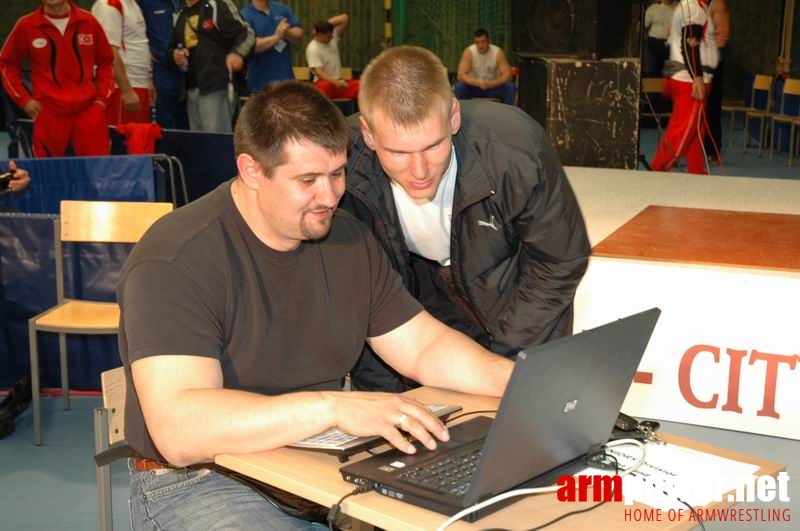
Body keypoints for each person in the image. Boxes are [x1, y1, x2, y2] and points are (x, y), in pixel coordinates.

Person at [117, 80, 513, 529]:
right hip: (200, 480)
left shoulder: (346, 239)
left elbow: (422, 346)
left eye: (338, 173)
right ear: (251, 170)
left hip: (315, 462)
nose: (329, 196)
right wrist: (334, 408)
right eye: (307, 180)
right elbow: (179, 430)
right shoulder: (176, 258)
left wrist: (517, 383)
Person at [340, 46, 590, 392]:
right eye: (397, 152)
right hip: (408, 292)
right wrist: (382, 395)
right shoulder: (341, 165)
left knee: (515, 419)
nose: (419, 171)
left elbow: (561, 259)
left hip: (511, 292)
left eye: (433, 146)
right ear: (368, 134)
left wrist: (499, 358)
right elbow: (361, 292)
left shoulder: (515, 152)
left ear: (453, 117)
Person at [0, 0, 115, 157]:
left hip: (89, 112)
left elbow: (107, 62)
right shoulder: (27, 25)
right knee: (47, 174)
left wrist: (102, 100)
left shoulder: (89, 21)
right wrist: (24, 100)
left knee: (98, 174)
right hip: (48, 113)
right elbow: (7, 65)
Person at [651, 0, 719, 174]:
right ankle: (657, 171)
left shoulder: (693, 6)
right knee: (681, 133)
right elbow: (690, 44)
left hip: (689, 78)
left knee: (694, 135)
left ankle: (696, 173)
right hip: (690, 81)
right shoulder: (693, 7)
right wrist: (697, 77)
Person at [170, 0, 254, 132]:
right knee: (200, 144)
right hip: (191, 89)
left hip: (216, 84)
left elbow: (247, 33)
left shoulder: (216, 5)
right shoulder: (179, 15)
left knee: (216, 142)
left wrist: (237, 53)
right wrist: (174, 55)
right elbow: (172, 47)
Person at [91, 0, 155, 124]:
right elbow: (109, 52)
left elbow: (139, 43)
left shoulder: (133, 4)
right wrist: (126, 90)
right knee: (123, 140)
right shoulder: (109, 5)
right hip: (120, 88)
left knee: (139, 140)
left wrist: (147, 80)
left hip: (137, 84)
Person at [137, 0, 190, 129]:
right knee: (163, 127)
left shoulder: (190, 2)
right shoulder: (145, 3)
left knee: (189, 128)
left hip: (192, 73)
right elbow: (135, 32)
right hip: (161, 72)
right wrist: (147, 53)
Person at [241, 1, 303, 94]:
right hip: (259, 84)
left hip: (286, 81)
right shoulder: (245, 15)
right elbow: (251, 45)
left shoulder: (282, 9)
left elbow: (299, 34)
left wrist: (287, 33)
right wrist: (277, 36)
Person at [454, 29, 516, 106]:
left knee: (510, 87)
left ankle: (508, 114)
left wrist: (492, 83)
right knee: (459, 87)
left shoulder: (498, 52)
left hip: (493, 87)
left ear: (488, 41)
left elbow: (507, 75)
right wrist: (476, 82)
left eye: (483, 42)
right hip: (474, 87)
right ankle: (461, 113)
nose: (480, 45)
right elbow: (461, 75)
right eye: (477, 42)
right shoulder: (469, 52)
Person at [305, 14, 358, 101]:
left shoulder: (332, 40)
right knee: (324, 86)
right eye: (329, 35)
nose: (332, 37)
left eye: (332, 34)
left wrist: (324, 25)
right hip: (325, 83)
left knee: (361, 86)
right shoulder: (312, 48)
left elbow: (344, 18)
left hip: (338, 83)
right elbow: (319, 72)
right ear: (320, 35)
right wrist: (336, 83)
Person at [703, 0, 731, 163]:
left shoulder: (718, 3)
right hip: (699, 61)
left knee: (711, 107)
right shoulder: (696, 5)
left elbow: (723, 36)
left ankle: (712, 150)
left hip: (712, 63)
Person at [643, 0, 676, 76]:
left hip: (672, 44)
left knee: (670, 72)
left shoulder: (679, 8)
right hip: (654, 43)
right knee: (653, 70)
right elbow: (641, 27)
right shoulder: (653, 8)